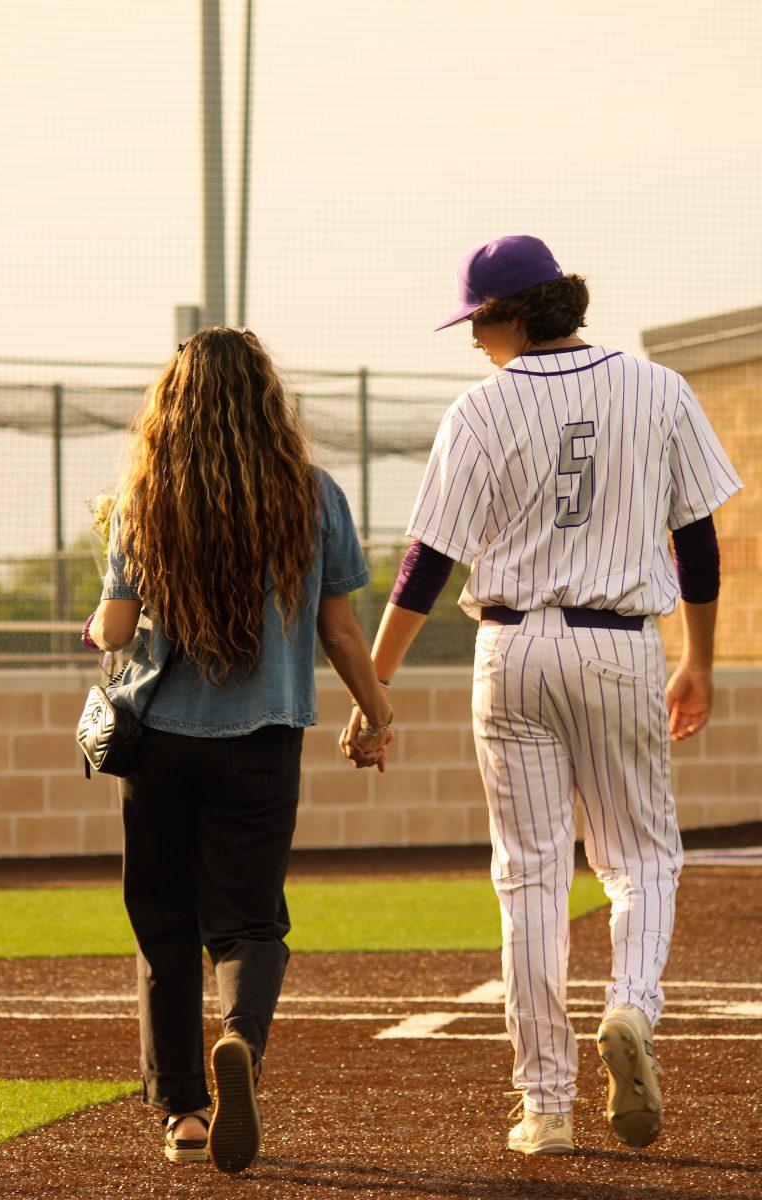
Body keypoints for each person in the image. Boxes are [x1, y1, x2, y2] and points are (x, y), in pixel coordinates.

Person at [342, 235, 742, 1154]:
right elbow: (700, 544)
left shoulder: (479, 410)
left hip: (512, 649)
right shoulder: (658, 387)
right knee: (640, 859)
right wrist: (701, 662)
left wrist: (377, 687)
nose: (474, 339)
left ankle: (548, 1109)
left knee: (529, 877)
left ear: (517, 314)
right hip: (620, 646)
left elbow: (426, 563)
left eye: (479, 320)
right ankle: (633, 1010)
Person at [86, 327, 393, 1173]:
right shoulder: (313, 494)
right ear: (267, 399)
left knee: (165, 928)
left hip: (157, 747)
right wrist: (377, 714)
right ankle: (242, 1045)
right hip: (261, 741)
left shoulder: (143, 497)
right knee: (250, 923)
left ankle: (184, 1112)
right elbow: (340, 629)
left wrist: (101, 623)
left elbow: (113, 626)